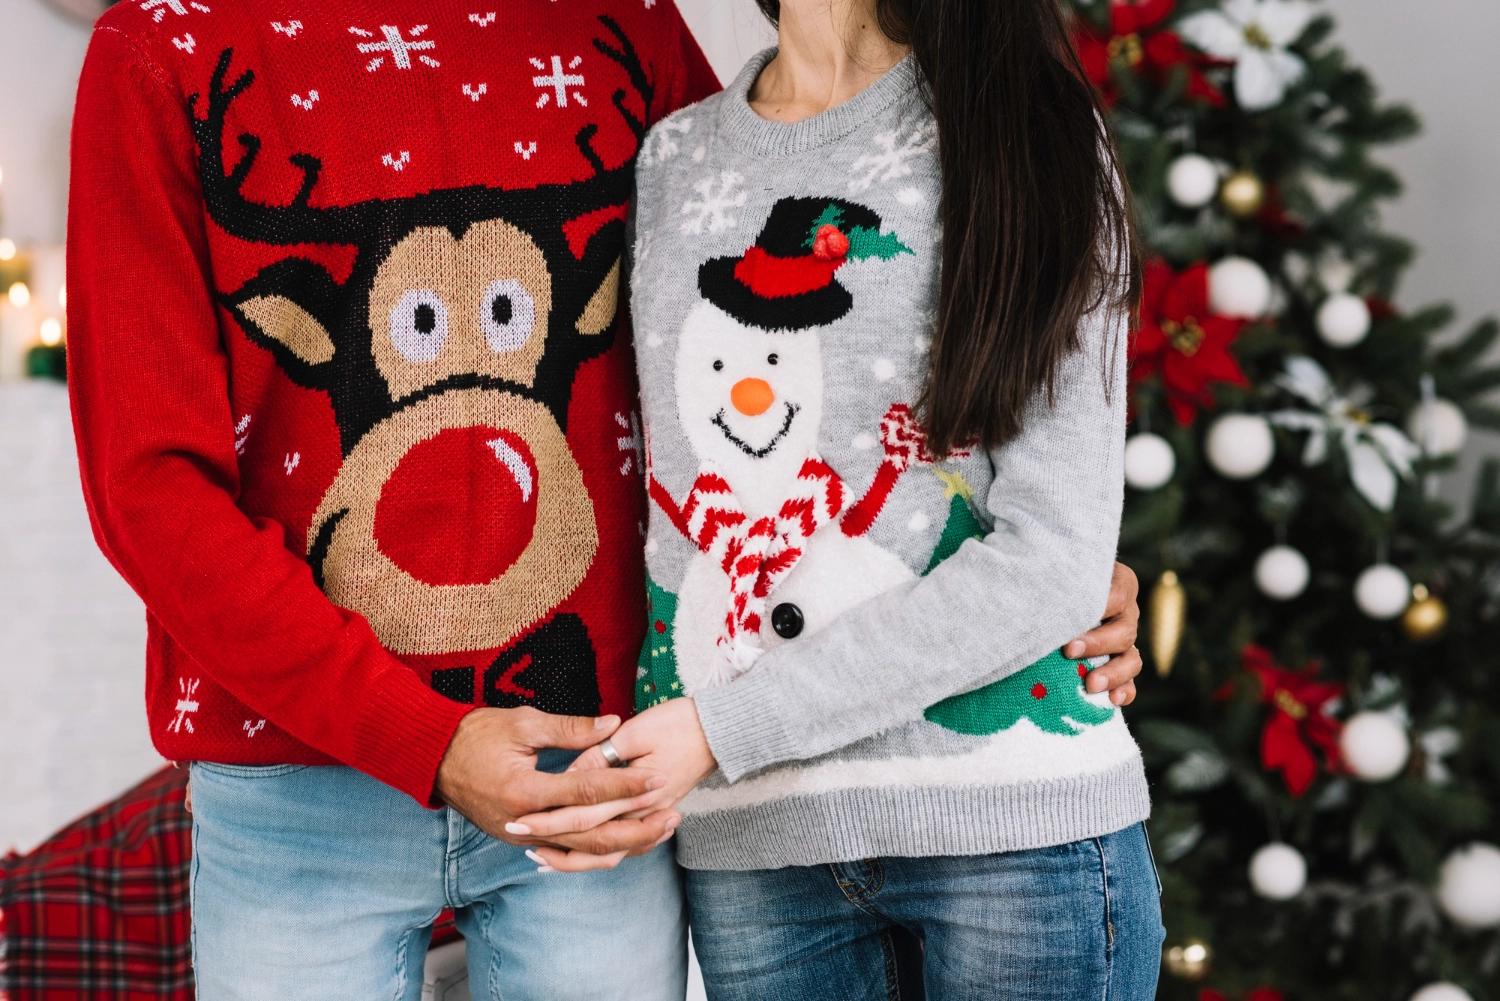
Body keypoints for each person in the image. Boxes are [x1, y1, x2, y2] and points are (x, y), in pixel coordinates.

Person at [67, 0, 1144, 997]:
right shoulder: (167, 51)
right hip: (307, 786)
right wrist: (424, 737)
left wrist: (1043, 563)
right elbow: (150, 490)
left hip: (606, 775)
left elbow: (803, 362)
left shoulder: (623, 30)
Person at [516, 1, 1165, 998]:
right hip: (758, 855)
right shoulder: (672, 158)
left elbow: (1052, 556)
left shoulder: (1030, 132)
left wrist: (723, 729)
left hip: (1015, 836)